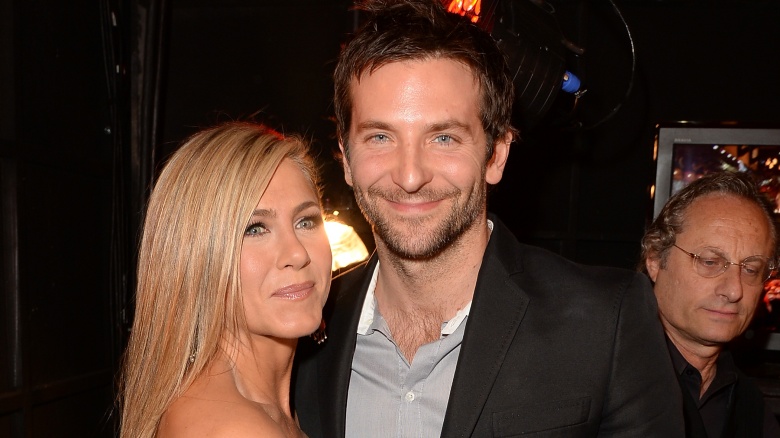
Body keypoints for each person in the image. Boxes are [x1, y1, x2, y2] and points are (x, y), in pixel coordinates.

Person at [293, 1, 683, 436]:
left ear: (496, 154)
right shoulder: (300, 326)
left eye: (443, 138)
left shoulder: (606, 322)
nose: (410, 176)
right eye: (380, 137)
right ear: (346, 158)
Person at [119, 122, 332, 437]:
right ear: (197, 257)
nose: (297, 253)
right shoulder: (236, 428)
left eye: (306, 221)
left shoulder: (256, 406)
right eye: (255, 229)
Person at [641, 171, 780, 438]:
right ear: (656, 259)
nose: (734, 290)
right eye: (710, 262)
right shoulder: (596, 372)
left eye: (751, 269)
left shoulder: (750, 408)